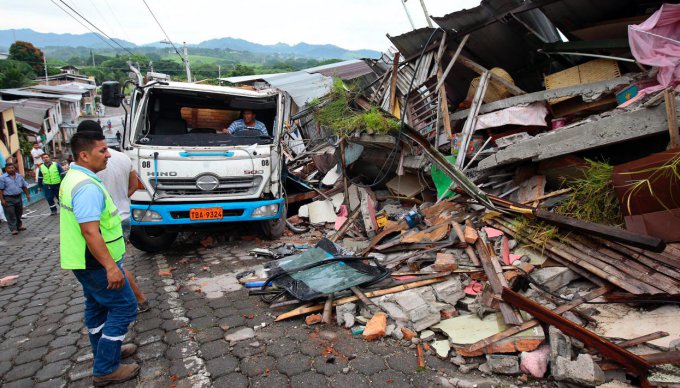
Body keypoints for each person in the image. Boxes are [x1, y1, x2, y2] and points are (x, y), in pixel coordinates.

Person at [59, 131, 139, 385]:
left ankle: (105, 350)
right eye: (102, 151)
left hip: (84, 262)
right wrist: (110, 267)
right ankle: (106, 367)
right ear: (84, 155)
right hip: (96, 263)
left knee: (96, 308)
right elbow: (90, 231)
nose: (107, 155)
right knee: (125, 306)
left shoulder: (74, 178)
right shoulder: (86, 187)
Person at [77, 120, 149, 312]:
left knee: (112, 266)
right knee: (114, 263)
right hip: (123, 217)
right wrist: (120, 200)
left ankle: (137, 300)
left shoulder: (86, 165)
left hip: (101, 225)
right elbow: (134, 186)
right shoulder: (123, 158)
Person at [0, 162, 30, 235]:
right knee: (10, 213)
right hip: (8, 198)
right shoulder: (2, 178)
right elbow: (0, 189)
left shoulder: (19, 176)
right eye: (9, 168)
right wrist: (2, 199)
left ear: (15, 168)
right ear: (6, 169)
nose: (11, 169)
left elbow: (24, 186)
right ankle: (13, 228)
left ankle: (19, 225)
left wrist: (27, 194)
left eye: (12, 167)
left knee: (19, 212)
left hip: (18, 197)